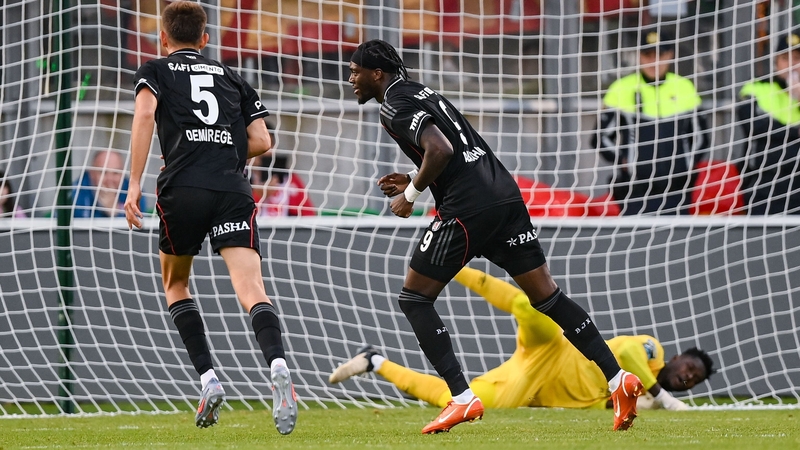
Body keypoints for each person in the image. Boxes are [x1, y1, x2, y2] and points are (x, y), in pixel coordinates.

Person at [347, 39, 644, 434]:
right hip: (504, 195)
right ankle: (617, 378)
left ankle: (462, 398)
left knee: (415, 298)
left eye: (355, 71)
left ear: (377, 74)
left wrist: (411, 194)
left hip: (470, 208)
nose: (351, 78)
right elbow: (451, 151)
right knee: (547, 297)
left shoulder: (394, 104)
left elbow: (440, 149)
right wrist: (417, 175)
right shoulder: (424, 91)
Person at [123, 1, 297, 434]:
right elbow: (262, 139)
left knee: (176, 283)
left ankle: (209, 379)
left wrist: (133, 185)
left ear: (163, 38)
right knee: (251, 286)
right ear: (205, 39)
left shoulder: (155, 70)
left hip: (182, 187)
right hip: (232, 188)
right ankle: (277, 364)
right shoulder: (233, 77)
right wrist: (221, 150)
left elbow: (145, 114)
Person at [330, 267, 716, 412]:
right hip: (553, 346)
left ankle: (374, 361)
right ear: (679, 356)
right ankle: (451, 267)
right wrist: (661, 396)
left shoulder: (641, 402)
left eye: (692, 381)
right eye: (690, 369)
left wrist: (652, 401)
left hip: (532, 385)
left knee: (458, 402)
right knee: (528, 304)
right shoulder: (651, 353)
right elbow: (629, 351)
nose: (687, 378)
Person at [593, 27, 709, 215]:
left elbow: (701, 137)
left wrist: (686, 165)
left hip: (677, 189)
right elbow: (600, 138)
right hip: (635, 191)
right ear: (639, 56)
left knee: (678, 241)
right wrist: (625, 162)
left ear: (670, 55)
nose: (654, 62)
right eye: (648, 55)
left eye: (660, 54)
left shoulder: (684, 87)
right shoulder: (621, 88)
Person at [736, 29, 800, 215]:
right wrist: (795, 133)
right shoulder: (757, 88)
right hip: (764, 185)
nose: (791, 66)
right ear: (776, 61)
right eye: (785, 58)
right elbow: (755, 126)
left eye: (796, 58)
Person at [73, 149, 144, 218]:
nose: (109, 179)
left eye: (116, 173)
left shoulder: (135, 193)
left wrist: (116, 211)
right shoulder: (74, 193)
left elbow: (140, 224)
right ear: (91, 173)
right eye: (103, 172)